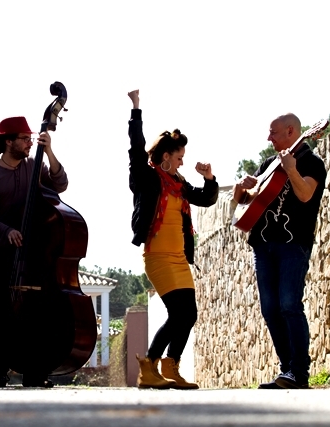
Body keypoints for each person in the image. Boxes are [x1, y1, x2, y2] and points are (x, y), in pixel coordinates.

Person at [127, 90, 219, 389]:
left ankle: (171, 366)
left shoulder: (179, 184)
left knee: (188, 315)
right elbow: (136, 147)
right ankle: (149, 367)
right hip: (157, 257)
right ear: (165, 156)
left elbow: (206, 199)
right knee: (178, 313)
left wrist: (209, 178)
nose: (182, 163)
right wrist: (136, 109)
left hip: (179, 258)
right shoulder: (147, 178)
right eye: (179, 158)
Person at [232, 113, 326, 389]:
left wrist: (292, 170)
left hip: (293, 244)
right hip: (263, 244)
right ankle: (287, 371)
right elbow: (246, 201)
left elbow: (305, 194)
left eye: (273, 132)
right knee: (270, 309)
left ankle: (299, 372)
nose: (268, 138)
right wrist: (241, 187)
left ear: (290, 131)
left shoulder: (312, 163)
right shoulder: (268, 164)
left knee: (289, 305)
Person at [0, 116, 67, 388]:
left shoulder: (33, 166)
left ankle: (34, 372)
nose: (30, 143)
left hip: (27, 254)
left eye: (30, 138)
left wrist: (49, 151)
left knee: (34, 312)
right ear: (8, 141)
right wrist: (6, 231)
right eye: (24, 139)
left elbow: (60, 184)